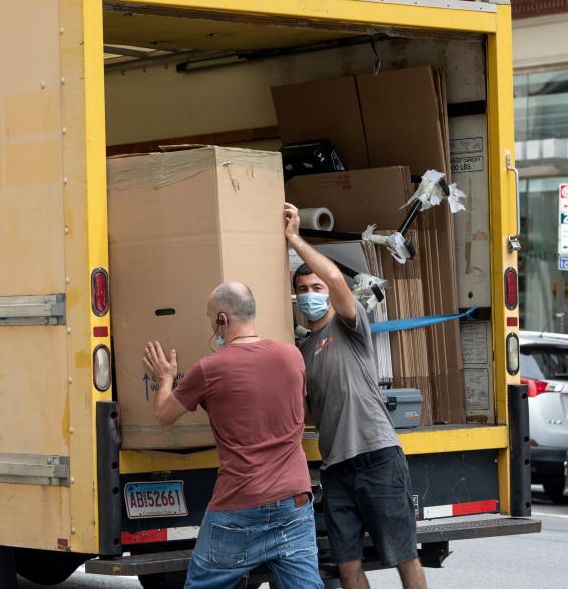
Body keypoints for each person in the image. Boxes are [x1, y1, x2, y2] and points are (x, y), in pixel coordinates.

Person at [143, 281, 324, 589]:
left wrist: (166, 379)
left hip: (238, 505)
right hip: (293, 501)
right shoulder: (293, 356)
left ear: (222, 320)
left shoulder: (208, 370)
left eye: (210, 318)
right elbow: (301, 412)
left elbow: (164, 415)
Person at [283, 203, 426, 589]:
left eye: (316, 288)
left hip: (378, 457)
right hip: (337, 470)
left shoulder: (350, 325)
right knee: (347, 567)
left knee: (403, 557)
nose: (310, 294)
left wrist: (295, 239)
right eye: (302, 290)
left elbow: (333, 275)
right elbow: (308, 414)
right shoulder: (302, 352)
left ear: (329, 293)